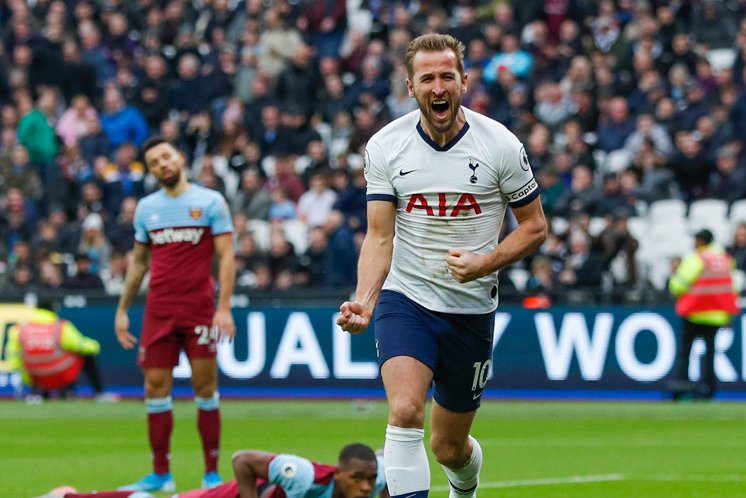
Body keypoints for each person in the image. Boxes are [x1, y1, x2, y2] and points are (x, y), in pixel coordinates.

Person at [336, 34, 547, 498]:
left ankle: (465, 489)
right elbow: (379, 234)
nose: (438, 86)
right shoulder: (386, 146)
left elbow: (535, 227)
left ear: (464, 82)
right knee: (406, 410)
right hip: (405, 298)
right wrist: (366, 300)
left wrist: (484, 262)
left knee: (449, 447)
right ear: (410, 87)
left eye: (446, 76)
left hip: (470, 309)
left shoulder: (501, 146)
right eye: (427, 77)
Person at [114, 136, 237, 493]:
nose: (162, 165)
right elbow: (138, 264)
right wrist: (123, 310)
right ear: (150, 170)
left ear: (180, 158)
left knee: (205, 387)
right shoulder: (146, 209)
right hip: (158, 311)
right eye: (153, 162)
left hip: (199, 308)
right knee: (154, 389)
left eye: (166, 157)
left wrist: (224, 307)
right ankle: (161, 474)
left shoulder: (211, 202)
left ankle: (211, 473)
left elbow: (226, 257)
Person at [35, 442, 388, 498]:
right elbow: (242, 459)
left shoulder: (376, 482)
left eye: (369, 480)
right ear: (339, 474)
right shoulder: (306, 476)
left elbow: (386, 456)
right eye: (357, 479)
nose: (365, 487)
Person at [665, 229, 740, 401]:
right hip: (716, 315)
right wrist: (729, 313)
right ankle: (708, 390)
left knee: (686, 353)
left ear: (700, 241)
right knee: (710, 355)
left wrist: (673, 279)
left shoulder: (695, 258)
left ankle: (682, 389)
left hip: (694, 312)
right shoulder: (724, 259)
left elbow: (678, 286)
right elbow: (732, 287)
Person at [4, 305, 119, 402]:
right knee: (85, 355)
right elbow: (80, 345)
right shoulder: (60, 326)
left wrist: (28, 379)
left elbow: (13, 357)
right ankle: (96, 393)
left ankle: (40, 393)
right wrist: (96, 346)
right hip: (59, 374)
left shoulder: (19, 329)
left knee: (36, 361)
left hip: (36, 377)